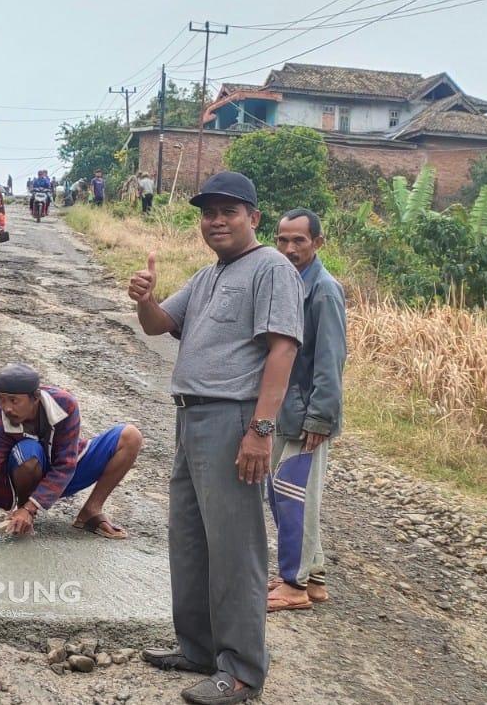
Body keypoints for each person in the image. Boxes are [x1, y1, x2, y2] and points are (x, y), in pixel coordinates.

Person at [129, 171, 302, 704]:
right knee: (190, 540)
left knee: (235, 549)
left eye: (229, 211)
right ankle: (199, 648)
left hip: (234, 421)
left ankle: (243, 670)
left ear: (254, 217)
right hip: (191, 418)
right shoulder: (209, 277)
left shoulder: (270, 268)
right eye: (208, 212)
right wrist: (144, 299)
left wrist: (260, 431)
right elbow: (160, 326)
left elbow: (283, 350)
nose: (217, 221)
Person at [0, 364, 142, 546]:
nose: (7, 408)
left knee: (130, 436)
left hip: (61, 473)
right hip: (15, 479)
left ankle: (90, 512)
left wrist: (32, 508)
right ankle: (20, 511)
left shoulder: (65, 404)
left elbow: (66, 464)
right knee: (29, 453)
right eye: (2, 400)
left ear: (36, 398)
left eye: (14, 401)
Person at [266, 208, 346, 613]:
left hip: (306, 416)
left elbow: (330, 361)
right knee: (288, 493)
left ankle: (294, 585)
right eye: (282, 240)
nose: (290, 248)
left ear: (318, 243)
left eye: (299, 240)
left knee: (291, 495)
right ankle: (311, 577)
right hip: (287, 411)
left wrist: (320, 419)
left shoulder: (323, 290)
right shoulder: (291, 283)